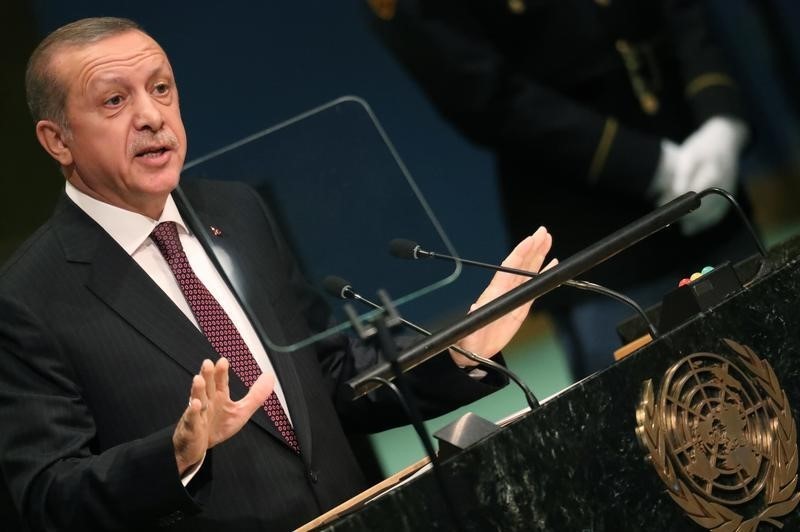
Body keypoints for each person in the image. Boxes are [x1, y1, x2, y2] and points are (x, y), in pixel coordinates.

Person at [0, 17, 554, 531]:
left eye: (162, 88)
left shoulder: (235, 212)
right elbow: (50, 495)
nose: (152, 116)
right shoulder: (29, 298)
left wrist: (460, 347)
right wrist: (176, 455)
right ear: (57, 140)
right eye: (115, 100)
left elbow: (327, 372)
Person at [366, 0, 755, 378]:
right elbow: (480, 92)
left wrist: (720, 115)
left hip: (710, 172)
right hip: (599, 243)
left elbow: (685, 12)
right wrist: (652, 166)